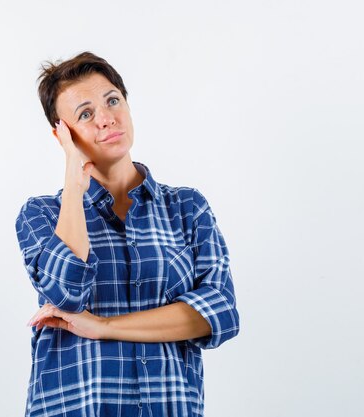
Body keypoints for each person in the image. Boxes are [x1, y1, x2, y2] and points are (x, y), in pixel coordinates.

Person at [15, 51, 239, 417]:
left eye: (112, 101)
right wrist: (74, 180)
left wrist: (103, 326)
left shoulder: (187, 207)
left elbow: (221, 313)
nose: (106, 119)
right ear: (62, 134)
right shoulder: (42, 214)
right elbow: (68, 293)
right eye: (85, 114)